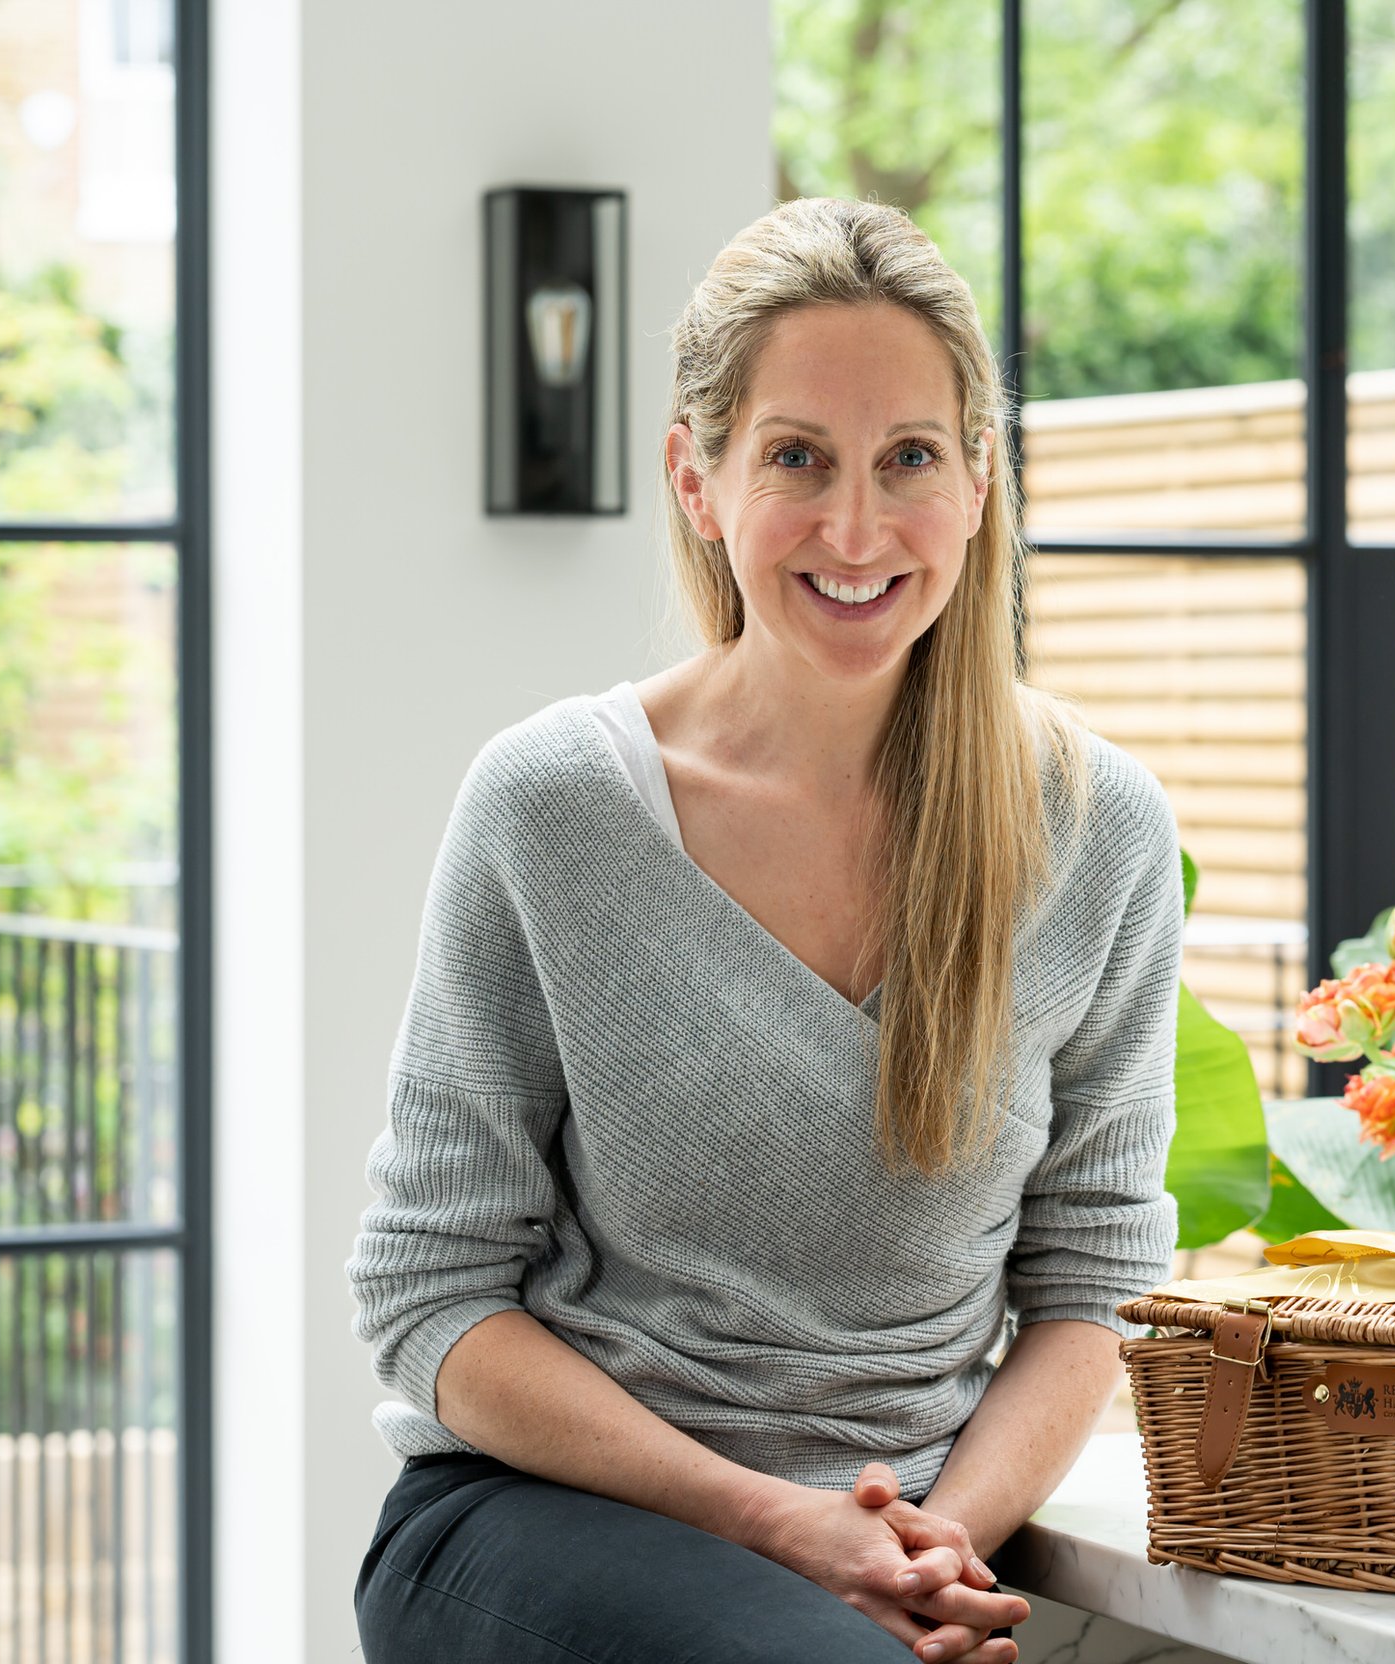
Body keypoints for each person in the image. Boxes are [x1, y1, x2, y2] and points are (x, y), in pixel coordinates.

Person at [348, 197, 1184, 1664]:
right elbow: (432, 1292)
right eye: (796, 456)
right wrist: (779, 1525)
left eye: (909, 458)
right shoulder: (554, 809)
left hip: (886, 1551)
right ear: (698, 476)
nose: (856, 529)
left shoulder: (1098, 830)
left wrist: (937, 1545)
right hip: (532, 1523)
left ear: (979, 481)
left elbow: (1090, 1278)